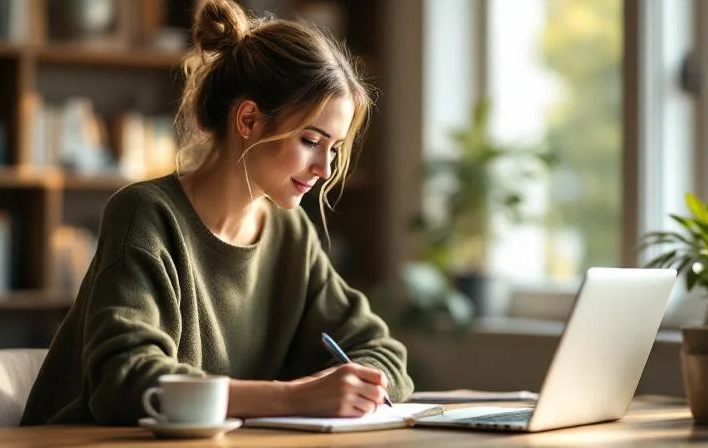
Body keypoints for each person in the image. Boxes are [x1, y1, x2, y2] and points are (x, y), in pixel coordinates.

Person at [21, 0, 414, 426]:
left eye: (333, 148)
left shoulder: (290, 232)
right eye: (311, 141)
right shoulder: (145, 215)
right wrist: (294, 397)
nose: (325, 169)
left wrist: (343, 386)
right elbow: (125, 382)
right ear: (248, 120)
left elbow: (384, 353)